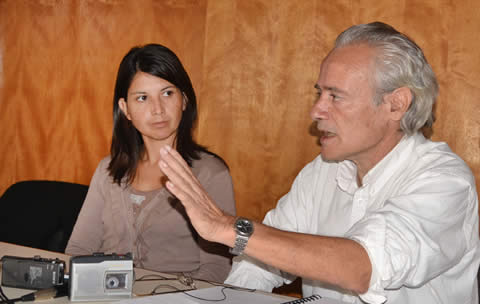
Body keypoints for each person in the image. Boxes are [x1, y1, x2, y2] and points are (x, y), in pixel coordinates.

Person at [157, 22, 480, 304]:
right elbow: (261, 262)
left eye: (335, 96)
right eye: (319, 93)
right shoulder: (321, 171)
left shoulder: (444, 181)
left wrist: (227, 227)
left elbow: (362, 267)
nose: (316, 111)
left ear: (395, 104)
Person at [66, 44, 236, 283]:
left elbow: (216, 270)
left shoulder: (210, 174)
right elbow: (78, 249)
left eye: (167, 93)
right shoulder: (107, 170)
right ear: (125, 109)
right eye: (143, 98)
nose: (158, 110)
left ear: (184, 100)